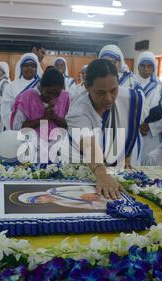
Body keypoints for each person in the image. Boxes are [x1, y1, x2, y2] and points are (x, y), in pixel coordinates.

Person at [66, 59, 149, 199]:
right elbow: (88, 144)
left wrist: (126, 155)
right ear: (87, 86)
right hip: (85, 168)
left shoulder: (131, 98)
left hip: (115, 168)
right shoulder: (77, 111)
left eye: (113, 90)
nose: (109, 98)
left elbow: (131, 125)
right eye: (100, 93)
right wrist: (101, 174)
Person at [136, 51, 162, 161]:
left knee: (150, 161)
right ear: (138, 67)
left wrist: (150, 127)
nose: (146, 69)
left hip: (152, 135)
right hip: (134, 131)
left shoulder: (160, 89)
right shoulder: (131, 85)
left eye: (149, 66)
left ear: (154, 68)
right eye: (143, 66)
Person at [11, 67, 69, 134]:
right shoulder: (27, 97)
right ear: (41, 87)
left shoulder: (65, 96)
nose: (52, 97)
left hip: (58, 142)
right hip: (32, 143)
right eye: (48, 92)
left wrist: (54, 117)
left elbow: (68, 125)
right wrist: (44, 119)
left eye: (57, 94)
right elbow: (17, 128)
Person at [0, 53, 42, 131]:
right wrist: (16, 127)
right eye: (26, 65)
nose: (29, 68)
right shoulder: (11, 87)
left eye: (32, 65)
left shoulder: (41, 87)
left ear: (36, 68)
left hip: (37, 128)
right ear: (21, 67)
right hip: (16, 129)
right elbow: (5, 112)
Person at [17, 185, 108, 210]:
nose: (41, 201)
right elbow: (85, 206)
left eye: (39, 199)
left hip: (100, 193)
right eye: (38, 202)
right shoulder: (60, 203)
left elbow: (81, 186)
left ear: (41, 194)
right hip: (101, 203)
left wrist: (90, 193)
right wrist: (98, 205)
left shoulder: (56, 190)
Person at [0, 61, 11, 134]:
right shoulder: (0, 81)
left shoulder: (5, 82)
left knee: (0, 132)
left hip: (2, 112)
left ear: (2, 70)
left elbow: (7, 101)